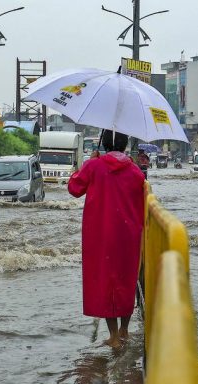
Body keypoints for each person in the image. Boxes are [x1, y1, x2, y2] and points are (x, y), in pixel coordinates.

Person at [68, 130, 145, 349]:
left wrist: (87, 164)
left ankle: (113, 337)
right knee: (126, 280)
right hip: (129, 235)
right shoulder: (135, 171)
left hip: (99, 234)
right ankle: (124, 331)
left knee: (105, 281)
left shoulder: (94, 166)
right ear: (124, 145)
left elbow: (74, 189)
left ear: (105, 144)